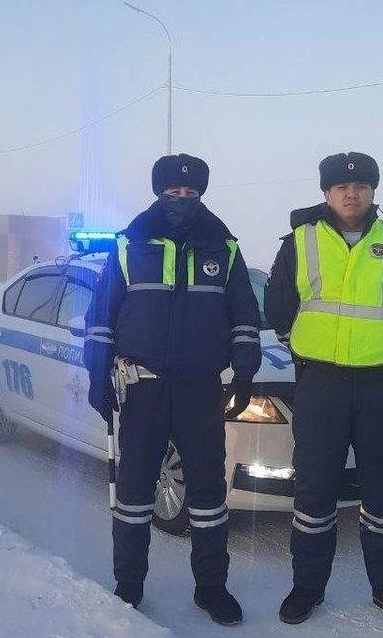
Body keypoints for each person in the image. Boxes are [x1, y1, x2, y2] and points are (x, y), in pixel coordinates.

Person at [264, 151, 383, 627]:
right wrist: (303, 351)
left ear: (372, 192)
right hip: (321, 386)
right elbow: (279, 307)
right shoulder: (300, 241)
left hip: (382, 386)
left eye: (361, 186)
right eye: (342, 187)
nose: (351, 193)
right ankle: (306, 588)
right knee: (315, 491)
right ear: (326, 193)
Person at [84, 153, 262, 627]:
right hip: (140, 388)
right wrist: (96, 374)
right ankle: (129, 584)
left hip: (200, 391)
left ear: (202, 194)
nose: (182, 200)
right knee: (135, 491)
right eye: (172, 193)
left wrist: (244, 374)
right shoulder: (129, 244)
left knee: (207, 494)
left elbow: (244, 316)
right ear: (158, 192)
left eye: (191, 194)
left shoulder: (223, 248)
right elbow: (101, 316)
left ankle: (211, 588)